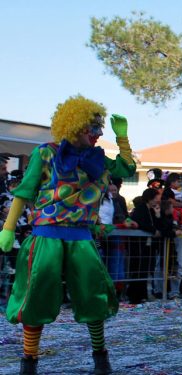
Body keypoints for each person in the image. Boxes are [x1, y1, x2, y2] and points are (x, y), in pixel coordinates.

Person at [0, 95, 135, 374]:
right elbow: (25, 191)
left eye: (101, 128)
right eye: (93, 128)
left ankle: (101, 358)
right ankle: (29, 361)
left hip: (81, 238)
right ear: (74, 126)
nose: (99, 134)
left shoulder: (99, 160)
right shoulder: (45, 152)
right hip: (46, 235)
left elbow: (128, 169)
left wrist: (123, 139)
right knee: (36, 297)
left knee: (93, 296)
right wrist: (8, 228)